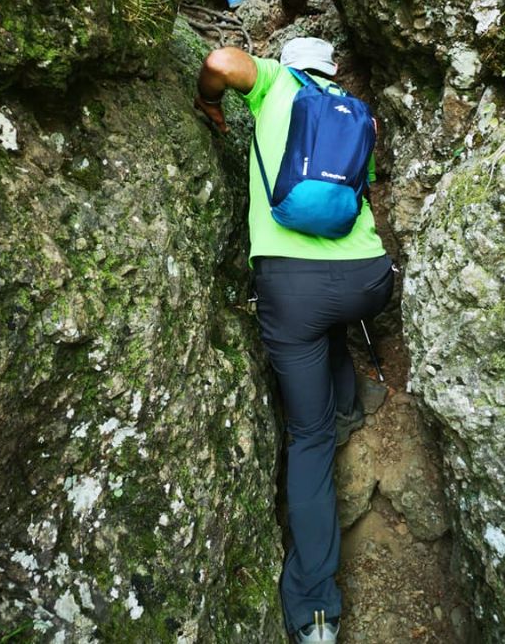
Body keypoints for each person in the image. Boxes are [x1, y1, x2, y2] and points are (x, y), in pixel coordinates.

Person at [195, 38, 395, 643]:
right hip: (369, 277)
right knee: (326, 324)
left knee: (307, 439)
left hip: (292, 285)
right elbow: (359, 193)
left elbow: (220, 62)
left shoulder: (279, 82)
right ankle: (349, 403)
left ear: (291, 61)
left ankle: (315, 611)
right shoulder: (360, 114)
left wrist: (211, 105)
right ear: (332, 70)